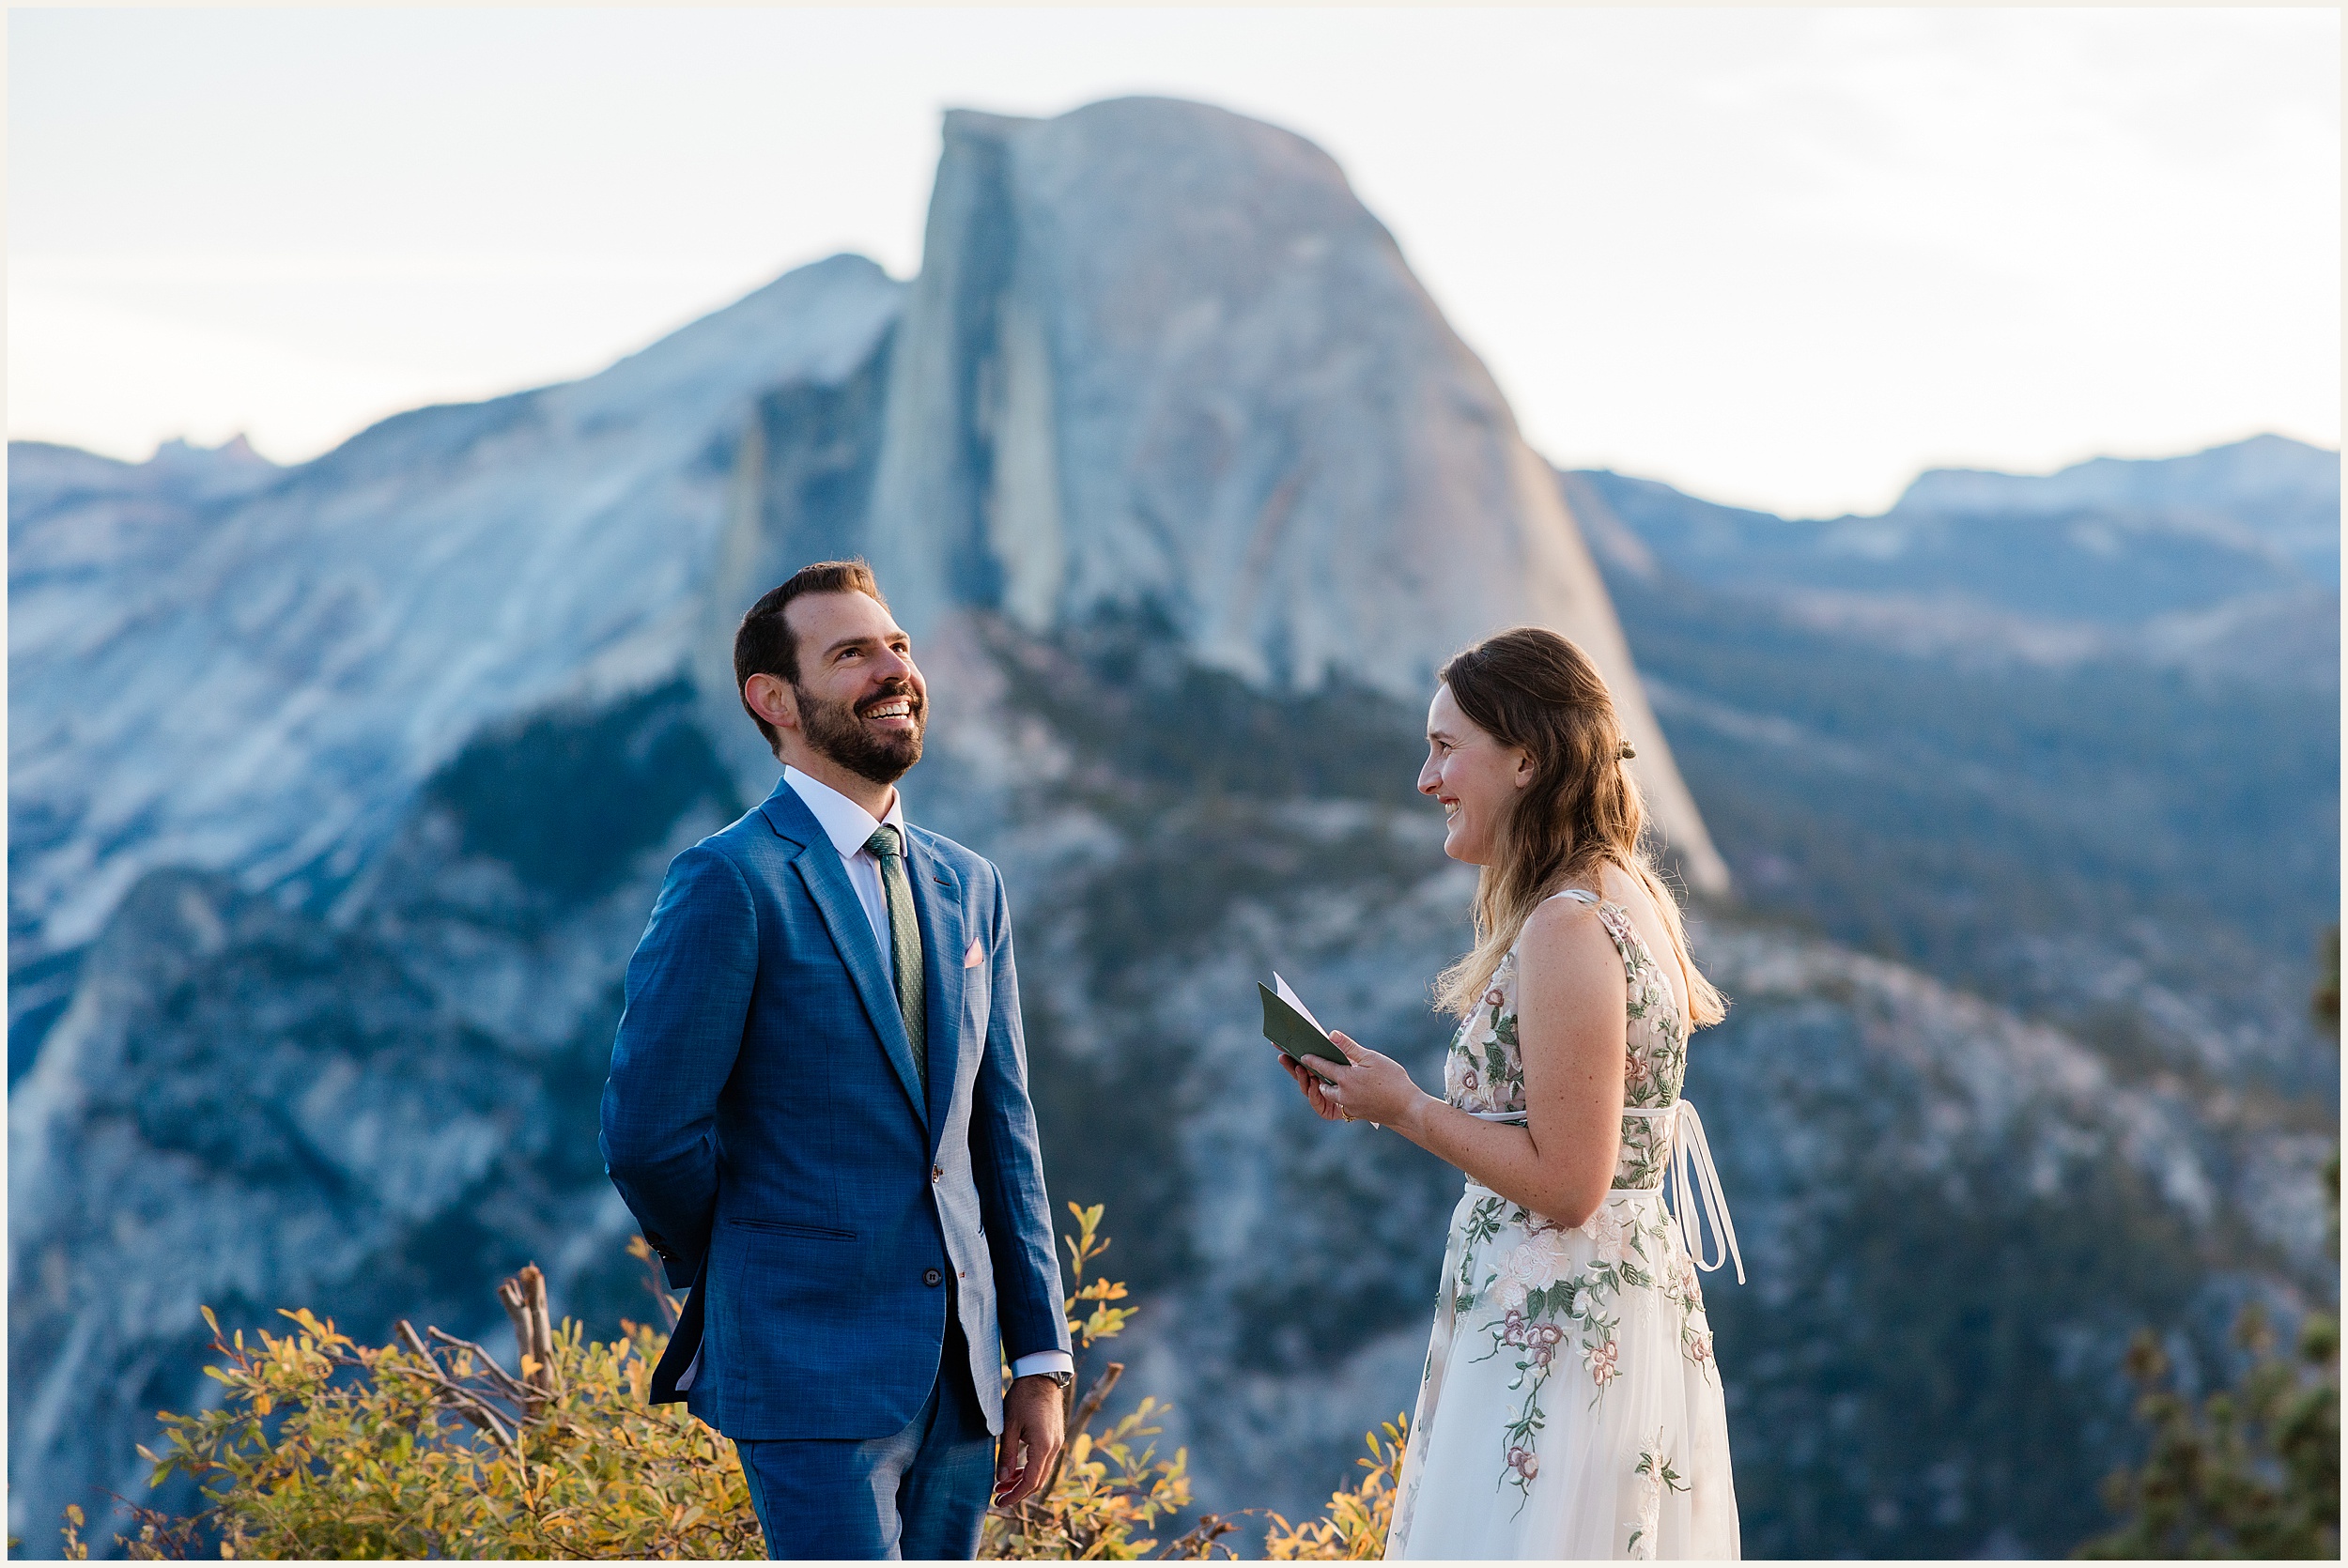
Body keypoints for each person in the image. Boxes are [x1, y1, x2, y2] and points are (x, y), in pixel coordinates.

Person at [599, 560, 1073, 1560]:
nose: (892, 668)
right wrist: (749, 1264)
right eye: (851, 652)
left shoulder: (970, 882)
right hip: (806, 1368)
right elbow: (648, 1134)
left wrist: (1037, 1359)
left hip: (965, 1380)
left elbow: (1002, 1135)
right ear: (774, 699)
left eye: (896, 644)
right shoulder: (728, 881)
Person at [1277, 626, 1743, 1560]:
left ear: (1524, 759)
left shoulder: (1567, 924)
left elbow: (1571, 1183)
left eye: (1446, 747)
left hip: (1561, 1338)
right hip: (1598, 1312)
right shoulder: (1623, 888)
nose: (1425, 776)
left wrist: (1404, 1105)